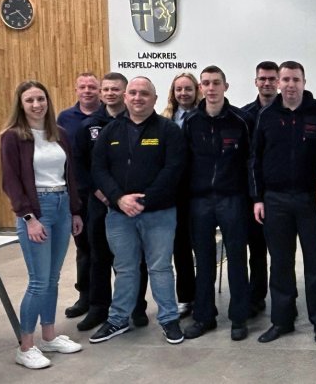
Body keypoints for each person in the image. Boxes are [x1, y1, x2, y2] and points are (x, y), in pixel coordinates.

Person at [89, 76, 186, 345]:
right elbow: (98, 168)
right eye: (132, 93)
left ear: (154, 99)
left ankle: (168, 319)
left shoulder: (168, 130)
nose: (137, 97)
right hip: (119, 215)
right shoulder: (110, 131)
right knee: (125, 268)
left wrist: (144, 200)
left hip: (159, 213)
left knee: (160, 268)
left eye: (144, 93)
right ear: (125, 97)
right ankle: (118, 319)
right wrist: (119, 199)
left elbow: (174, 170)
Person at [0, 80, 84, 369]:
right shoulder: (13, 137)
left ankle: (48, 336)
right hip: (37, 210)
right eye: (30, 100)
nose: (37, 105)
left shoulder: (58, 133)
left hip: (61, 206)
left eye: (41, 99)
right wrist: (29, 218)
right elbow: (10, 182)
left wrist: (74, 211)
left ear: (48, 102)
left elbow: (69, 175)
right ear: (20, 105)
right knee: (38, 281)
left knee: (52, 278)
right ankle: (26, 346)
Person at [251, 61, 316, 344]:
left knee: (315, 263)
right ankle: (282, 321)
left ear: (304, 81)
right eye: (285, 79)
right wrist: (257, 198)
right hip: (275, 200)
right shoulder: (266, 115)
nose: (289, 84)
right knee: (281, 263)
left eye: (295, 79)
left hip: (311, 200)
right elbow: (255, 159)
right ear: (278, 83)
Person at [72, 72, 150, 331]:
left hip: (129, 202)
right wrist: (100, 192)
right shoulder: (90, 126)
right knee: (98, 256)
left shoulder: (139, 124)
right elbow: (80, 165)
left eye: (116, 89)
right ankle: (98, 308)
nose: (110, 93)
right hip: (99, 202)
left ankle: (137, 307)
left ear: (125, 93)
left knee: (133, 258)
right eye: (106, 89)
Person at [181, 66, 253, 341]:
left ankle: (239, 318)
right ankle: (204, 317)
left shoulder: (241, 120)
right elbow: (184, 163)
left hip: (232, 199)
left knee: (236, 259)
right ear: (201, 88)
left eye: (216, 83)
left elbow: (251, 162)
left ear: (226, 86)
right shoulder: (190, 122)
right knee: (205, 261)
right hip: (200, 201)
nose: (211, 88)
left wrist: (252, 198)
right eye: (206, 83)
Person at [56, 72, 101, 319]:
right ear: (76, 90)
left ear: (99, 90)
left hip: (106, 194)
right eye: (82, 86)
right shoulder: (65, 118)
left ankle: (108, 300)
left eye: (92, 87)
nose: (87, 91)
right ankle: (85, 297)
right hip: (78, 193)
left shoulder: (107, 116)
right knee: (84, 248)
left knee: (109, 249)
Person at [161, 72, 201, 319]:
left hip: (197, 190)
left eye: (188, 89)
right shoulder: (165, 119)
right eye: (179, 89)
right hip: (174, 193)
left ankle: (203, 296)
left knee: (202, 247)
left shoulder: (203, 116)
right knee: (180, 247)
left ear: (196, 91)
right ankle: (186, 297)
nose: (183, 93)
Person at [240, 61, 279, 317]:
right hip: (250, 193)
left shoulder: (287, 112)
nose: (266, 83)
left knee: (280, 251)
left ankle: (283, 300)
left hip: (277, 193)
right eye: (262, 78)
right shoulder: (244, 115)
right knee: (255, 249)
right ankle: (256, 297)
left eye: (271, 79)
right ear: (256, 81)